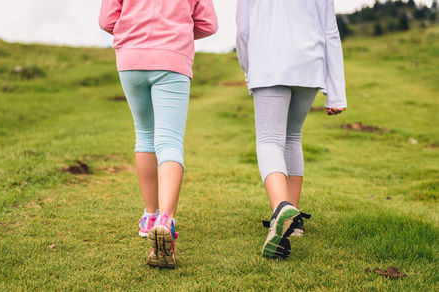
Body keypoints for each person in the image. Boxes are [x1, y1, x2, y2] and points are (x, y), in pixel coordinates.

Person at [99, 0, 218, 268]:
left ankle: (149, 216)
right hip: (173, 57)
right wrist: (178, 33)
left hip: (130, 58)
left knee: (144, 134)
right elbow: (208, 24)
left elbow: (107, 20)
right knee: (170, 141)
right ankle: (166, 219)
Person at [236, 0, 347, 259]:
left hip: (268, 61)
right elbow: (330, 30)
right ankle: (294, 220)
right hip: (310, 64)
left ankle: (280, 209)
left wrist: (248, 68)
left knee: (269, 139)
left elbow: (243, 30)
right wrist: (336, 93)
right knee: (292, 136)